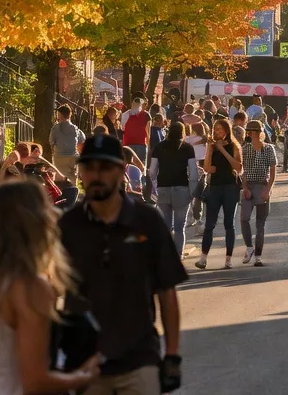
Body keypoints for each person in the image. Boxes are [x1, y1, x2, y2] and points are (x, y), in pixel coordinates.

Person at [59, 134, 187, 394]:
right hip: (84, 363)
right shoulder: (68, 226)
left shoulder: (147, 221)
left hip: (139, 357)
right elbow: (48, 291)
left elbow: (167, 291)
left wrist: (172, 355)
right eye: (89, 167)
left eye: (105, 168)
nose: (96, 175)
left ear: (121, 171)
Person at [0, 180, 102, 393]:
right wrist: (84, 375)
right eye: (46, 206)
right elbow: (35, 382)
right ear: (34, 221)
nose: (54, 214)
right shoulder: (30, 288)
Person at [195, 119, 242, 270]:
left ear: (227, 130)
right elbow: (208, 168)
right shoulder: (212, 146)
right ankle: (203, 258)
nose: (218, 132)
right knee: (209, 224)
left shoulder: (234, 146)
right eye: (216, 129)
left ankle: (228, 259)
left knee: (229, 223)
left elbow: (238, 167)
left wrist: (222, 150)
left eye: (220, 129)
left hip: (230, 187)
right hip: (214, 187)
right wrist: (210, 149)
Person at [149, 121, 198, 254]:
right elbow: (193, 173)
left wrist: (155, 186)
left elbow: (152, 172)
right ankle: (178, 254)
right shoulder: (187, 148)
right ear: (183, 133)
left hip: (163, 188)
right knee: (179, 227)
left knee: (165, 226)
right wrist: (192, 192)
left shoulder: (159, 147)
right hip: (182, 189)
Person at [239, 120, 277, 266]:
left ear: (261, 133)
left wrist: (268, 190)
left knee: (260, 223)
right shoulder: (245, 149)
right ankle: (249, 248)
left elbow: (272, 172)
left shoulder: (269, 149)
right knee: (244, 218)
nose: (253, 135)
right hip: (248, 185)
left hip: (262, 185)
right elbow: (243, 171)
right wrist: (245, 187)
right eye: (251, 132)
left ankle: (258, 256)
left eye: (256, 132)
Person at [50, 104, 85, 180]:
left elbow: (51, 141)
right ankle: (73, 186)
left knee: (59, 178)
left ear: (60, 115)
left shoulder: (55, 128)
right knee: (72, 177)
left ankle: (60, 185)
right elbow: (82, 140)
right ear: (70, 115)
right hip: (73, 156)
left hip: (59, 156)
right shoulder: (75, 129)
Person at [121, 94, 152, 165]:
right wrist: (148, 146)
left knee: (128, 166)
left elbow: (123, 129)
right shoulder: (146, 115)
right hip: (141, 144)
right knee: (141, 166)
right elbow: (148, 132)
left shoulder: (126, 114)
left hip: (128, 144)